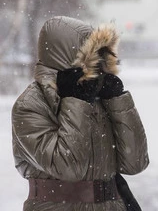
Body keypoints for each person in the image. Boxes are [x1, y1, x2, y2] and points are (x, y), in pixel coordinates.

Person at [12, 16, 149, 211]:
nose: (99, 64)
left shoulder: (98, 97)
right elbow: (68, 167)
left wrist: (117, 101)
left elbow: (136, 162)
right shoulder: (31, 105)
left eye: (102, 56)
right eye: (93, 55)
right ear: (69, 56)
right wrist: (75, 102)